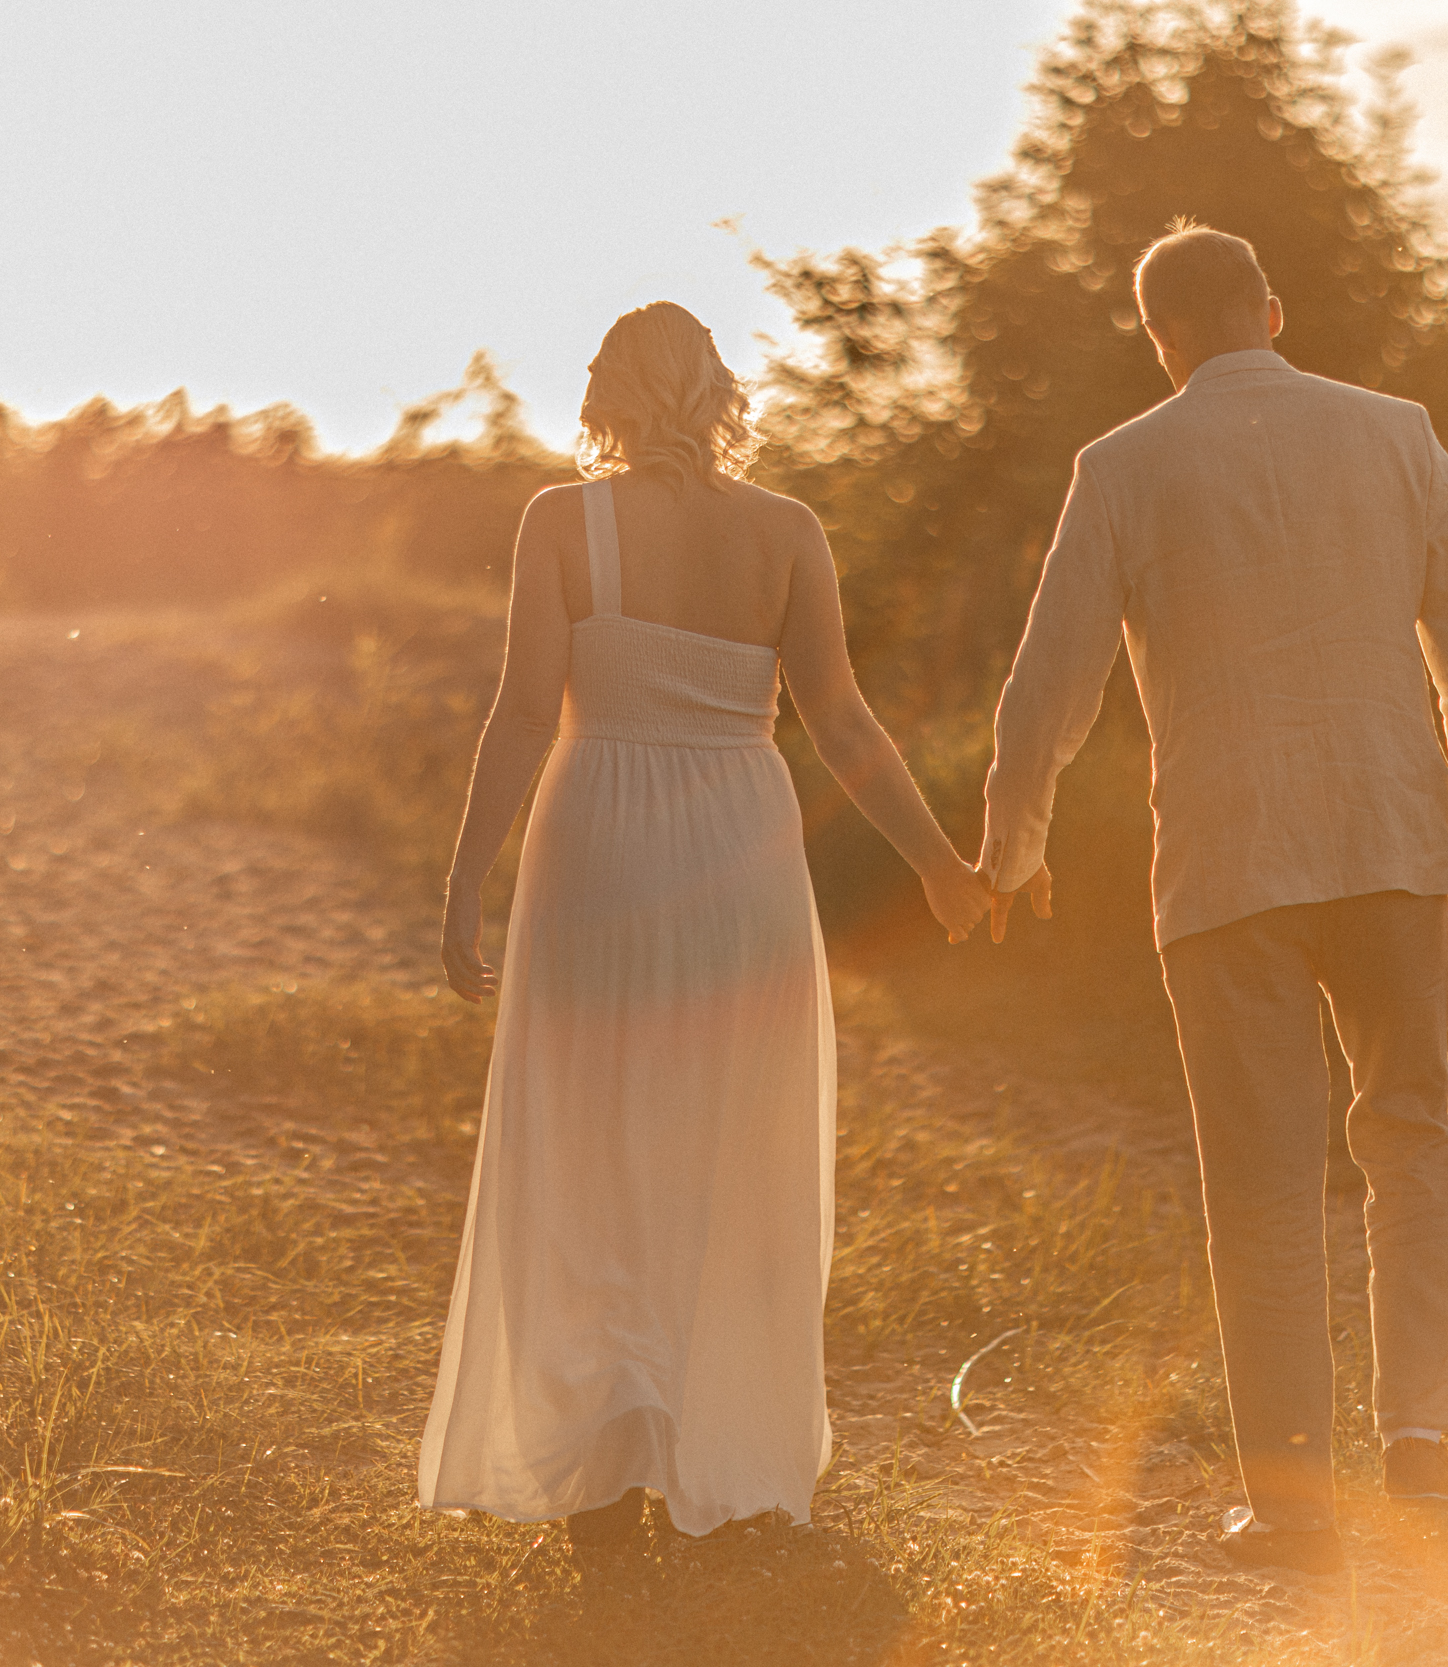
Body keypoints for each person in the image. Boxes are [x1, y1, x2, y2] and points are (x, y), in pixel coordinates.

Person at [978, 225, 1448, 1575]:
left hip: (1228, 867)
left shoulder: (1122, 466)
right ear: (1274, 308)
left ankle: (1293, 1505)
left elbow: (1047, 682)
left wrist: (1014, 847)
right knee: (1412, 1138)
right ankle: (1421, 1447)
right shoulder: (1401, 433)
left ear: (1161, 336)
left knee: (1262, 1181)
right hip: (1393, 842)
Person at [419, 301, 988, 1574]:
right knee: (728, 1134)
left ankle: (605, 1448)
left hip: (599, 844)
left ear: (609, 391)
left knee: (595, 1130)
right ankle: (707, 1432)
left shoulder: (562, 523)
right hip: (737, 847)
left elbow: (521, 713)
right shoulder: (785, 531)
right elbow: (841, 723)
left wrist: (465, 882)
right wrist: (940, 865)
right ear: (718, 389)